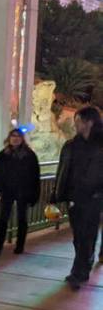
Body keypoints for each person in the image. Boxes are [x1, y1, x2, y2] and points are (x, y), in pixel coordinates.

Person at [51, 106, 103, 289]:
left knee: (87, 235)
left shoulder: (100, 145)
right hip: (74, 197)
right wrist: (56, 193)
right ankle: (84, 263)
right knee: (78, 236)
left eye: (78, 120)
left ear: (89, 122)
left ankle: (79, 272)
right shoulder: (71, 145)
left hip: (94, 198)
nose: (76, 124)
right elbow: (62, 171)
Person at [0, 127, 41, 256]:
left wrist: (34, 194)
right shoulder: (3, 154)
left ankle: (19, 246)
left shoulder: (29, 155)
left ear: (22, 139)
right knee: (3, 219)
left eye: (18, 136)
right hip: (8, 191)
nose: (15, 139)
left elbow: (35, 175)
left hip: (23, 191)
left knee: (22, 219)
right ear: (9, 138)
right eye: (13, 136)